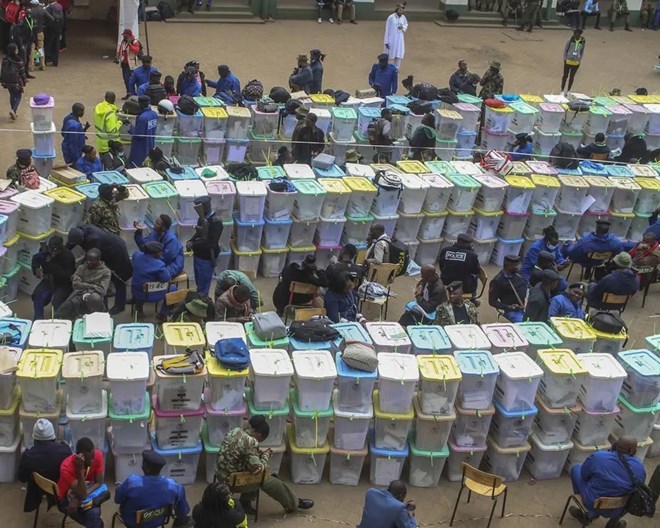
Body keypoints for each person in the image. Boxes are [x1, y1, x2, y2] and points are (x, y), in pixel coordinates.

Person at [214, 416, 314, 515]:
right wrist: (266, 456)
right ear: (258, 434)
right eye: (260, 440)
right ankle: (294, 503)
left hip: (221, 473)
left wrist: (257, 455)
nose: (259, 442)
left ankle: (245, 503)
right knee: (270, 481)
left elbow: (242, 454)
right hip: (232, 481)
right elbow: (258, 469)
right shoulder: (251, 442)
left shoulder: (236, 431)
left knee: (252, 469)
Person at [568, 436, 645, 527]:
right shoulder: (639, 467)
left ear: (615, 445)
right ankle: (612, 524)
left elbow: (584, 474)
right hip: (619, 507)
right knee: (630, 494)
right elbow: (637, 487)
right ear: (633, 450)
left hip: (593, 502)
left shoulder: (599, 457)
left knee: (576, 469)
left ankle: (588, 513)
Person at [67, 225, 133, 315]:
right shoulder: (79, 230)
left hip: (116, 252)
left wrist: (78, 272)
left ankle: (119, 306)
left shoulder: (93, 239)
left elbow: (90, 260)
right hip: (105, 248)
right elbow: (70, 244)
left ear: (82, 238)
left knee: (118, 279)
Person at [115, 450, 190, 528]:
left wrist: (119, 488)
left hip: (132, 522)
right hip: (158, 521)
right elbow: (182, 511)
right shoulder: (174, 485)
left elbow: (117, 500)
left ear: (146, 468)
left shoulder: (131, 482)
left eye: (143, 464)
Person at [18, 419, 72, 514]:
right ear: (53, 436)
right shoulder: (65, 450)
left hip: (40, 487)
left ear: (35, 438)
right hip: (60, 489)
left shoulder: (28, 455)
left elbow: (22, 478)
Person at [57, 437, 104, 528]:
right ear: (81, 457)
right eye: (90, 458)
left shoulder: (97, 455)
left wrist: (77, 498)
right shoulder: (66, 467)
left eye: (93, 455)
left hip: (83, 493)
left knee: (94, 514)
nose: (93, 460)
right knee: (95, 519)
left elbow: (98, 483)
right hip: (65, 499)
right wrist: (79, 471)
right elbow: (83, 494)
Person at [56, 248, 111, 320]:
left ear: (98, 260)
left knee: (99, 314)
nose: (88, 262)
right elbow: (75, 284)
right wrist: (93, 286)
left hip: (95, 298)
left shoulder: (105, 272)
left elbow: (102, 290)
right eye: (87, 259)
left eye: (92, 261)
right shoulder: (81, 268)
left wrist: (83, 285)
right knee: (66, 307)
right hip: (79, 294)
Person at [31, 235, 75, 319]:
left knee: (57, 301)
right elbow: (36, 258)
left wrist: (51, 263)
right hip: (49, 280)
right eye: (50, 249)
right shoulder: (46, 252)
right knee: (38, 295)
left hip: (63, 283)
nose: (51, 252)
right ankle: (38, 319)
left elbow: (67, 275)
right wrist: (36, 268)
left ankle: (58, 321)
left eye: (55, 250)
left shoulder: (68, 256)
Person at [187, 196, 223, 296]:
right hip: (198, 256)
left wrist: (194, 244)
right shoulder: (202, 218)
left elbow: (212, 243)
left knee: (203, 289)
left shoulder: (216, 221)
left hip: (207, 258)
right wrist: (191, 240)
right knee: (199, 283)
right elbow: (199, 233)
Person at [134, 214, 184, 279]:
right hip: (157, 261)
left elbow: (166, 258)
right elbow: (144, 247)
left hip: (172, 264)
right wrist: (139, 233)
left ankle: (167, 289)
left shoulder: (171, 239)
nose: (154, 224)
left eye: (157, 223)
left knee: (154, 275)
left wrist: (149, 260)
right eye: (156, 222)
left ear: (164, 227)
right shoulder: (154, 233)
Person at [131, 241, 172, 315]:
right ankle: (163, 314)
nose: (161, 254)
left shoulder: (136, 256)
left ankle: (138, 307)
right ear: (155, 253)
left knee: (140, 281)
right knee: (173, 288)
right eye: (160, 252)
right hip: (151, 296)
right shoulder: (159, 265)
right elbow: (166, 279)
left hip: (136, 292)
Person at [438, 233, 483, 300]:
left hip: (446, 281)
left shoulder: (445, 250)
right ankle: (473, 299)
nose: (470, 245)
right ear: (464, 243)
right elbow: (475, 271)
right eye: (469, 243)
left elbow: (441, 265)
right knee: (474, 278)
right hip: (463, 286)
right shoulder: (471, 255)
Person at [488, 254, 528, 323]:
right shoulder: (497, 281)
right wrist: (508, 307)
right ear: (507, 266)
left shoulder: (519, 274)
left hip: (525, 305)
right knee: (522, 324)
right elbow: (492, 301)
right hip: (512, 310)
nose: (518, 267)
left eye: (518, 265)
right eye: (515, 266)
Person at [129, 96, 158, 168]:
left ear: (140, 104)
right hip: (150, 144)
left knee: (137, 166)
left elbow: (139, 135)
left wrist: (131, 128)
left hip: (140, 147)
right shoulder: (154, 114)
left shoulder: (143, 117)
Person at [0, 42, 26, 120]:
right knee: (18, 96)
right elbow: (22, 73)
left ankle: (13, 111)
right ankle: (13, 110)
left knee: (12, 95)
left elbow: (2, 70)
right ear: (15, 50)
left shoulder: (5, 59)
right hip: (16, 82)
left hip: (6, 81)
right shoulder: (18, 60)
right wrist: (24, 81)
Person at [116, 28, 141, 99]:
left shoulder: (134, 42)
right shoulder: (123, 41)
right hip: (124, 63)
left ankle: (132, 93)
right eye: (124, 36)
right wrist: (118, 56)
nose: (124, 37)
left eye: (126, 36)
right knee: (125, 79)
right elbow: (121, 49)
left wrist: (129, 44)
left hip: (131, 64)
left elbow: (136, 50)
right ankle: (128, 92)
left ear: (130, 36)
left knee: (129, 78)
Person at [560, 28, 586, 94]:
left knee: (572, 77)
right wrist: (565, 59)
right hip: (568, 61)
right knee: (565, 76)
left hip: (576, 63)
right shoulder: (570, 40)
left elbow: (582, 51)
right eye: (574, 34)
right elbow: (565, 50)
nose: (575, 35)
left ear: (579, 35)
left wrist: (579, 59)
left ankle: (568, 91)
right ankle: (562, 90)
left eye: (577, 34)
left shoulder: (582, 41)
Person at [383, 4, 408, 71]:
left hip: (400, 39)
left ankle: (396, 68)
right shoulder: (391, 18)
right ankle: (386, 67)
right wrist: (386, 41)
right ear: (397, 10)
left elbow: (406, 25)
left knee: (399, 53)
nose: (401, 12)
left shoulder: (403, 17)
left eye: (402, 10)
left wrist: (402, 27)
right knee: (389, 53)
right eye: (400, 10)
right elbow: (387, 29)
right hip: (392, 39)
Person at [29, 0, 52, 72]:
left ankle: (31, 67)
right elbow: (51, 19)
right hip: (40, 31)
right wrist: (44, 26)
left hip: (31, 33)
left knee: (31, 49)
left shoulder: (30, 11)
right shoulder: (42, 10)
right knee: (40, 48)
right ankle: (42, 65)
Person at [43, 0, 63, 67]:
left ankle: (45, 60)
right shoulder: (60, 6)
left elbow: (47, 18)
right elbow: (63, 19)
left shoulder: (50, 7)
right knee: (56, 45)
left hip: (50, 29)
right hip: (58, 29)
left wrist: (46, 26)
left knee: (48, 44)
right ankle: (55, 61)